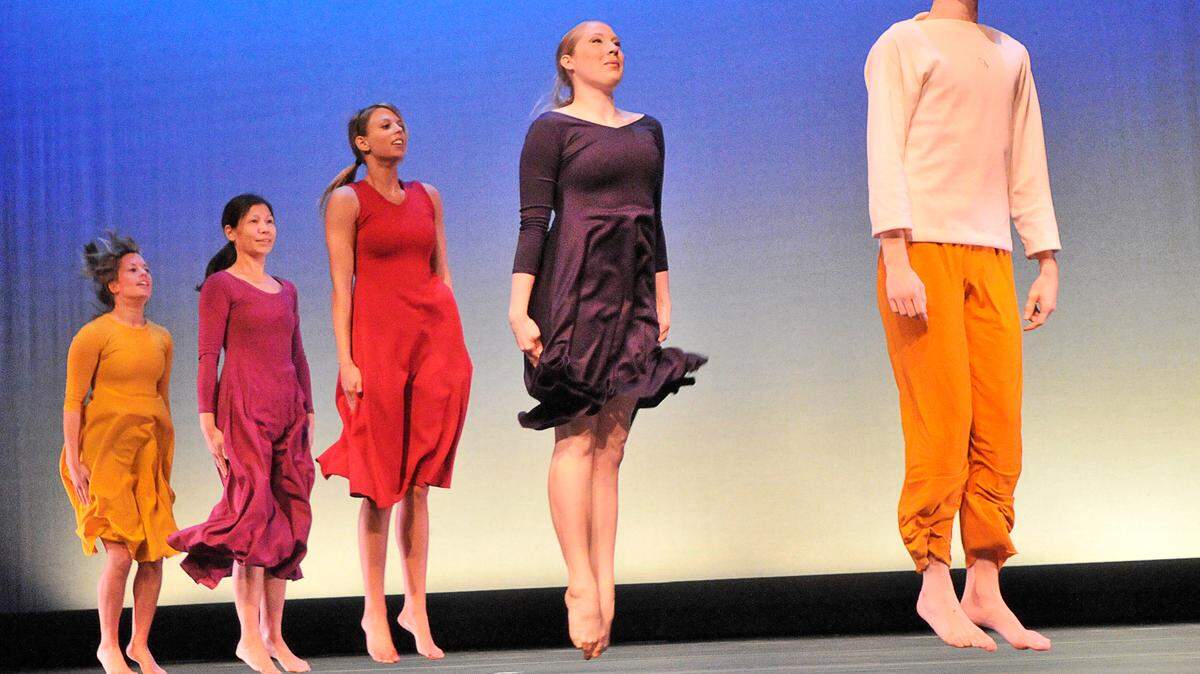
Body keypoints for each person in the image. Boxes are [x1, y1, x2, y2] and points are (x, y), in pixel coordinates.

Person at [865, 0, 1060, 652]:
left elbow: (1024, 156)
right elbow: (885, 149)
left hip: (991, 252)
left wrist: (1045, 258)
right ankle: (933, 581)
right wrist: (896, 256)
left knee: (999, 422)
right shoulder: (903, 43)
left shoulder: (1011, 52)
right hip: (922, 249)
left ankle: (985, 582)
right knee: (941, 420)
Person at [508, 20, 706, 660]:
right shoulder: (552, 130)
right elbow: (534, 222)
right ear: (567, 61)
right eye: (594, 42)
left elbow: (656, 212)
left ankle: (604, 574)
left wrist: (663, 292)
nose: (611, 48)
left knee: (614, 442)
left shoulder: (649, 129)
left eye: (616, 40)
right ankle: (579, 583)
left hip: (631, 292)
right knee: (578, 433)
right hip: (572, 288)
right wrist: (520, 306)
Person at [317, 103, 473, 662]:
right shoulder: (347, 201)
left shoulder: (428, 195)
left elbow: (443, 272)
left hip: (431, 336)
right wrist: (347, 360)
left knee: (421, 481)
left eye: (402, 122)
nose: (398, 130)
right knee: (381, 486)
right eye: (385, 125)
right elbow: (342, 288)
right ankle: (375, 612)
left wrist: (453, 341)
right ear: (362, 143)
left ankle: (416, 608)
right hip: (378, 344)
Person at [168, 195, 315, 674]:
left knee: (289, 522)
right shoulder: (221, 286)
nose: (265, 228)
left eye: (270, 220)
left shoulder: (286, 288)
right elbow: (208, 356)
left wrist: (308, 409)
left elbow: (298, 352)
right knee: (253, 520)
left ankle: (277, 636)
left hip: (288, 410)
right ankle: (248, 636)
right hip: (243, 410)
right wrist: (208, 421)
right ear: (231, 231)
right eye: (254, 222)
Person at [60, 232, 178, 674]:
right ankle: (108, 644)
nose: (143, 274)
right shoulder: (94, 335)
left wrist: (165, 461)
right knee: (120, 553)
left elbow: (161, 403)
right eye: (133, 269)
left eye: (146, 269)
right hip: (103, 451)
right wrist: (75, 460)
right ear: (113, 284)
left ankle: (140, 645)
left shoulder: (162, 338)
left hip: (147, 452)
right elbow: (73, 402)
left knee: (153, 551)